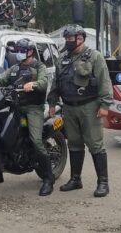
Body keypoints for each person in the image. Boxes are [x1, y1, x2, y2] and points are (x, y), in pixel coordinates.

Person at [48, 25, 114, 197]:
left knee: (95, 144)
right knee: (74, 143)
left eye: (71, 39)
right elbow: (56, 82)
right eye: (67, 39)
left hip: (89, 106)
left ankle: (103, 183)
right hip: (69, 107)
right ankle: (75, 179)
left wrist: (105, 105)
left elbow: (104, 81)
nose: (68, 42)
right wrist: (52, 103)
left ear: (81, 39)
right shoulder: (62, 58)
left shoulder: (94, 56)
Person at [0, 38, 53, 196]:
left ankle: (48, 179)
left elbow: (43, 82)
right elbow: (0, 79)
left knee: (36, 140)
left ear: (30, 51)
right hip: (16, 107)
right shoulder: (14, 68)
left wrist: (33, 84)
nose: (19, 53)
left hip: (33, 108)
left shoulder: (38, 66)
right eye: (17, 51)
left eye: (22, 51)